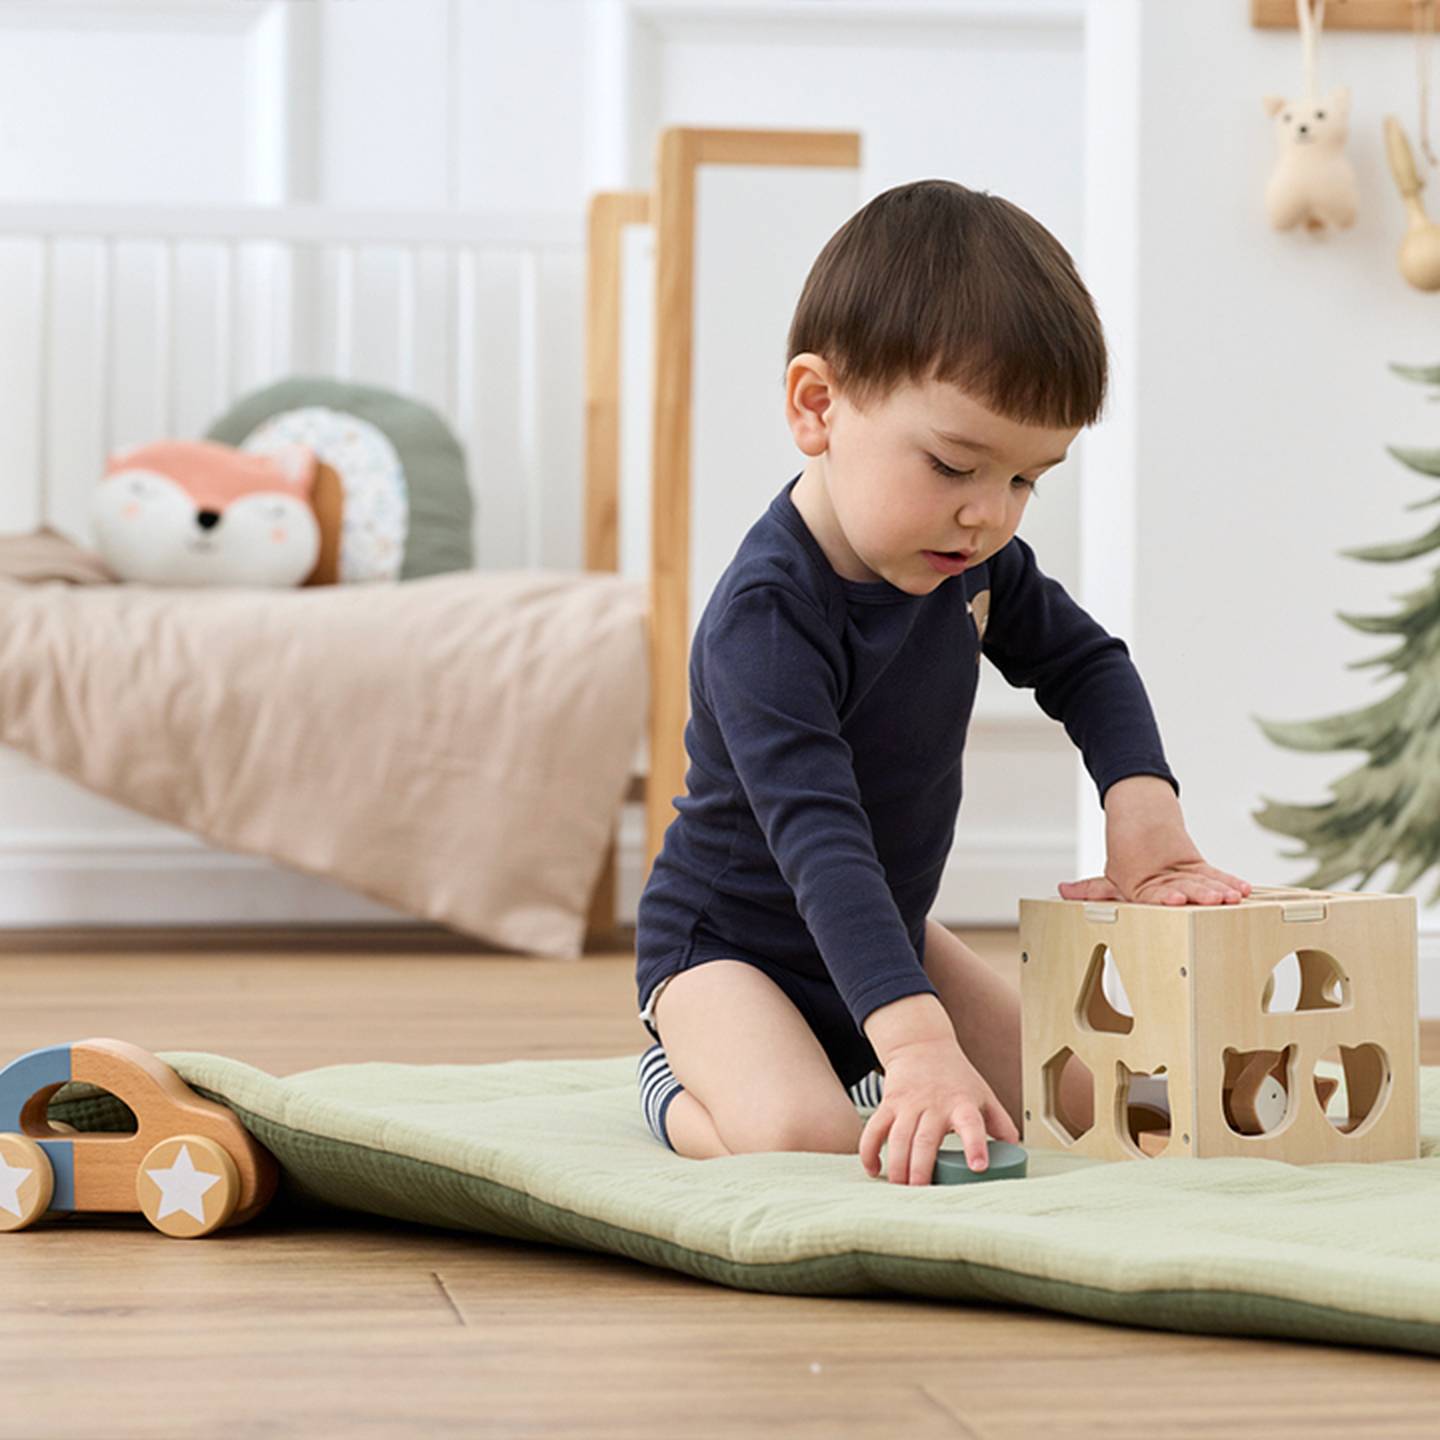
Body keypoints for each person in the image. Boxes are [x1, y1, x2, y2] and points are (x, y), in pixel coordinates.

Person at [634, 179, 1251, 1187]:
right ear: (818, 406)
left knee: (1086, 1101)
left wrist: (1147, 818)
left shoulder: (967, 567)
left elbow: (1088, 666)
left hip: (886, 926)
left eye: (1023, 480)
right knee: (802, 1138)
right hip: (730, 951)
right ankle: (675, 1088)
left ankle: (878, 1056)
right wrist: (920, 1047)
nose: (988, 518)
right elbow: (820, 840)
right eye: (955, 465)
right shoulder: (767, 619)